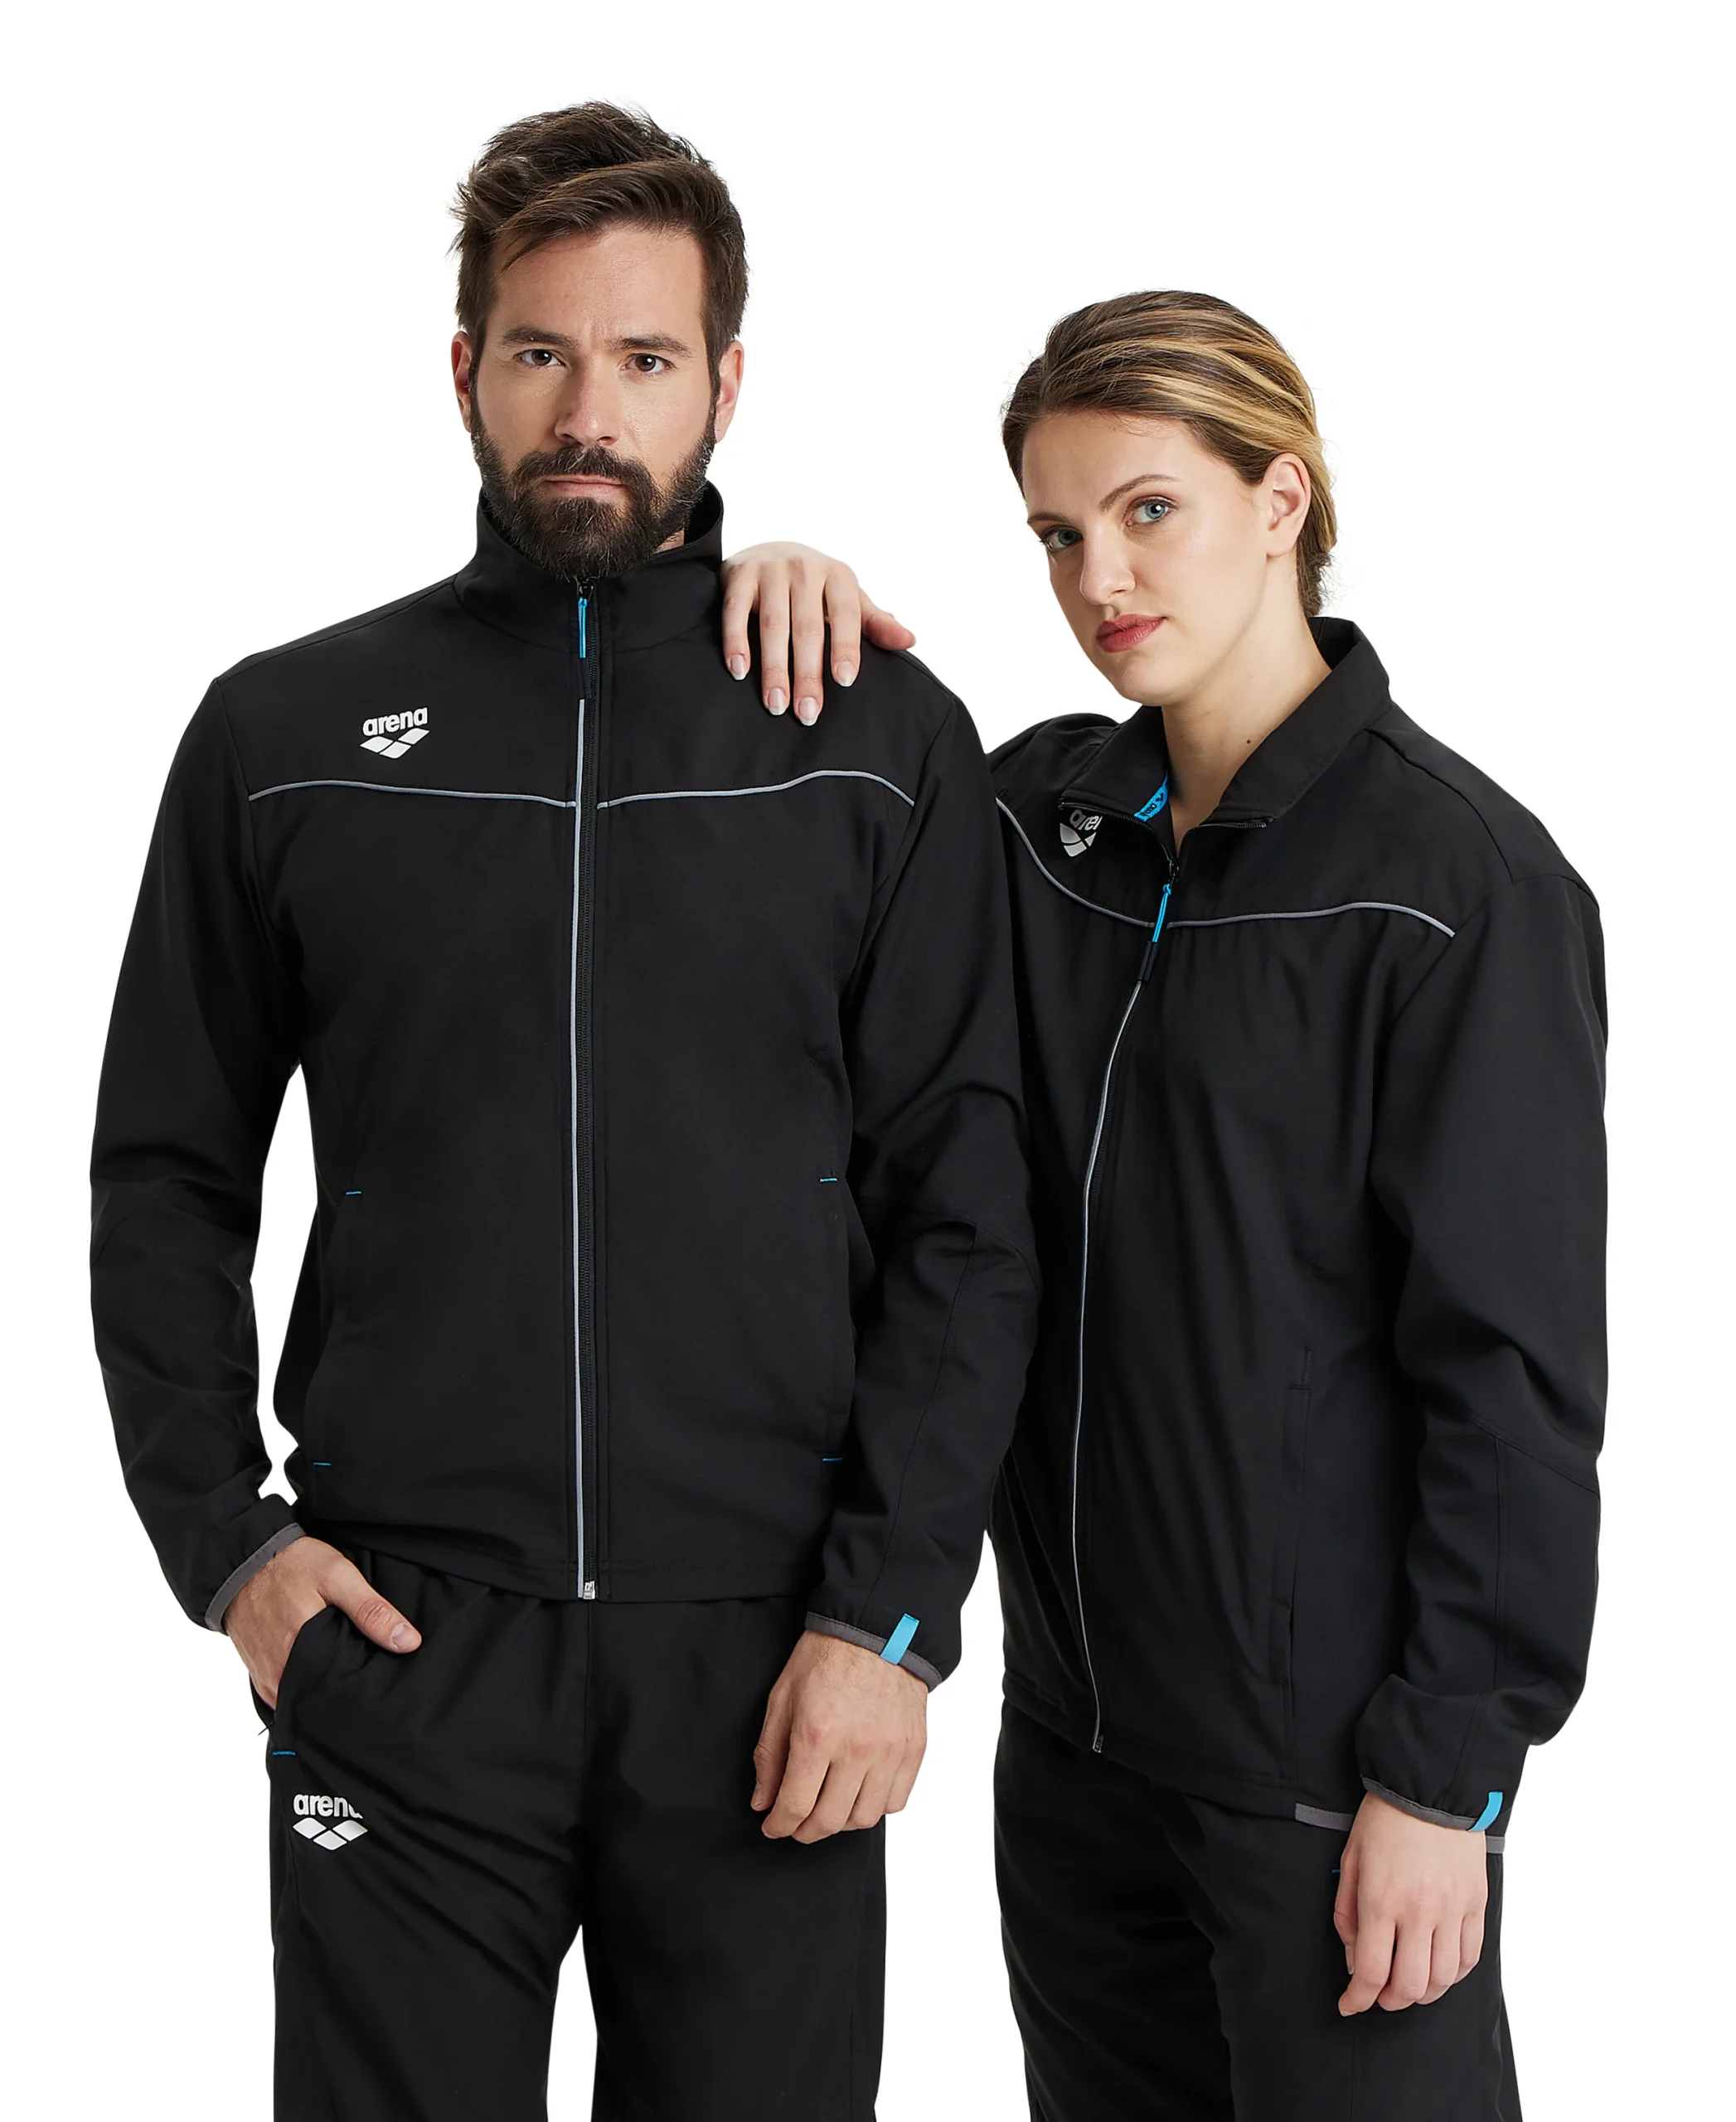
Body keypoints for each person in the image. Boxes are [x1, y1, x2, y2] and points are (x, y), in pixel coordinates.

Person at [90, 103, 1036, 2122]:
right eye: (541, 352)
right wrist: (228, 1548)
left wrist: (890, 1618)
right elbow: (164, 1172)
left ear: (726, 386)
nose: (589, 411)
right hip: (403, 1643)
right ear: (464, 369)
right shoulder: (285, 733)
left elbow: (969, 1210)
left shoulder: (868, 739)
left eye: (645, 357)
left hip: (773, 1656)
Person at [721, 290, 1606, 2120]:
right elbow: (812, 885)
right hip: (1073, 1748)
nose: (1099, 579)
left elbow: (1509, 1377)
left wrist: (1445, 1779)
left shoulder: (1457, 888)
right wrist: (790, 601)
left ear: (1282, 501)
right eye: (1056, 533)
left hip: (1325, 1777)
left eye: (1147, 512)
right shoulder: (1036, 820)